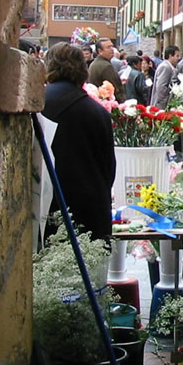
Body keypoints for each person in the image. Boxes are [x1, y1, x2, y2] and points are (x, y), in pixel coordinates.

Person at [41, 43, 115, 242]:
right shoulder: (98, 112)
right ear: (83, 69)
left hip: (46, 207)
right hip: (89, 208)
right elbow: (109, 168)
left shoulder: (37, 105)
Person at [88, 37, 126, 101]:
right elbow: (115, 90)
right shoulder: (106, 66)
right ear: (100, 51)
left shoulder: (97, 63)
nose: (112, 49)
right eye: (108, 47)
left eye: (112, 46)